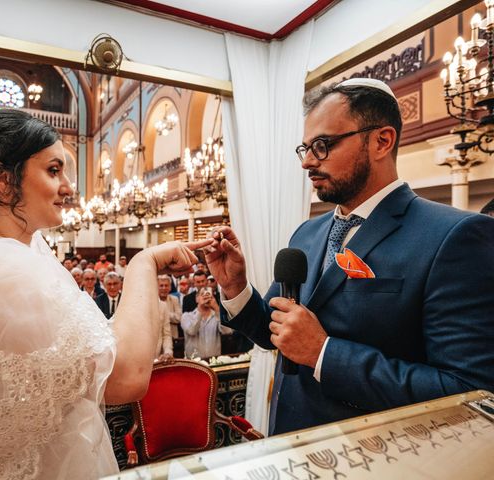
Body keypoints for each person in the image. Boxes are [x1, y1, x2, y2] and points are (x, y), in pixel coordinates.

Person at [0, 109, 210, 479]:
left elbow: (83, 352)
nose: (68, 188)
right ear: (2, 179)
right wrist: (144, 265)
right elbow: (125, 376)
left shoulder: (6, 259)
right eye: (53, 170)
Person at [205, 78, 494, 435]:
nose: (307, 162)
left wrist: (324, 353)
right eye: (305, 148)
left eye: (323, 145)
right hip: (290, 442)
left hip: (379, 456)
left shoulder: (453, 236)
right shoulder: (306, 234)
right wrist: (235, 288)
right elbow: (276, 333)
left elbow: (468, 392)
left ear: (381, 141)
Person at [181, 287, 232, 359]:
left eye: (209, 295)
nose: (206, 298)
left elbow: (227, 331)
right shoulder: (186, 316)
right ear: (196, 299)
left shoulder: (217, 316)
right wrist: (200, 309)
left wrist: (217, 308)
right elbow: (192, 331)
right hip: (194, 362)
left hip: (213, 360)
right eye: (202, 295)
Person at [157, 274, 182, 339]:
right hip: (157, 338)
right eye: (161, 286)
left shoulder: (174, 299)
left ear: (170, 287)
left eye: (166, 285)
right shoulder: (153, 301)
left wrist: (163, 313)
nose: (164, 288)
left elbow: (178, 318)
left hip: (172, 337)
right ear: (156, 287)